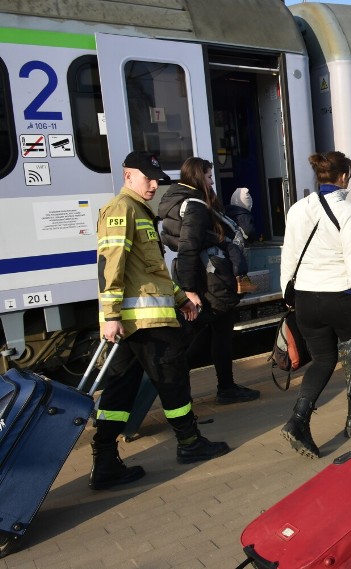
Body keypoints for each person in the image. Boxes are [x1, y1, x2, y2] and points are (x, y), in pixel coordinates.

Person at [91, 151, 229, 490]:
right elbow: (111, 267)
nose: (154, 184)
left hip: (139, 322)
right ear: (128, 176)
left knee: (119, 389)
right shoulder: (121, 210)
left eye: (157, 178)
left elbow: (150, 272)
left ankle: (105, 460)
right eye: (148, 178)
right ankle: (189, 443)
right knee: (172, 381)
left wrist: (181, 299)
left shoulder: (140, 211)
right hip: (143, 322)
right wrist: (110, 316)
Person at [279, 151, 351, 459]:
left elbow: (289, 254)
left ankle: (298, 420)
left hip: (307, 299)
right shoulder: (347, 210)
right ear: (344, 177)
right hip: (340, 298)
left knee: (323, 360)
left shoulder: (297, 209)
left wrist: (288, 294)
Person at [159, 157, 261, 405]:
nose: (212, 181)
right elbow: (188, 248)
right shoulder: (194, 205)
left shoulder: (176, 200)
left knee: (209, 334)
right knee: (216, 335)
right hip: (210, 280)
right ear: (197, 177)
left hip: (205, 277)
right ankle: (215, 389)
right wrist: (189, 290)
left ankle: (214, 388)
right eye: (208, 176)